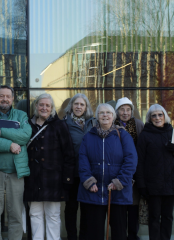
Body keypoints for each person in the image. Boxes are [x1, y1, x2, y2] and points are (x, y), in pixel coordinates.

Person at [78, 103, 137, 240]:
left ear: (113, 116)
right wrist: (89, 181)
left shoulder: (123, 135)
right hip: (95, 191)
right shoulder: (89, 136)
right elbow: (82, 161)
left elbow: (131, 160)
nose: (105, 115)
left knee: (119, 232)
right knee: (95, 233)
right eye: (101, 113)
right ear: (97, 116)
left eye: (108, 113)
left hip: (117, 191)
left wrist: (119, 181)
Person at [0, 85, 32, 240]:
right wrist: (9, 145)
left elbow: (25, 136)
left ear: (12, 99)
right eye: (1, 96)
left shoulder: (21, 115)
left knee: (15, 215)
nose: (5, 99)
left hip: (16, 173)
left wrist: (1, 133)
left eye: (8, 96)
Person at [24, 93, 75, 240]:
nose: (44, 108)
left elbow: (69, 155)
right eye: (41, 105)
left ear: (52, 108)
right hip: (33, 179)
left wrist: (67, 179)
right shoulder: (28, 125)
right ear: (36, 106)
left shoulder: (60, 125)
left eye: (47, 105)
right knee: (35, 214)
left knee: (53, 215)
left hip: (54, 180)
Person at [136, 104, 174, 240]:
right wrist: (142, 185)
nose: (157, 118)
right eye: (154, 115)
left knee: (168, 217)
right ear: (150, 118)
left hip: (171, 184)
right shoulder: (145, 135)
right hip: (153, 186)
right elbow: (139, 162)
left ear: (164, 116)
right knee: (154, 217)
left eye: (160, 115)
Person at [64, 93, 96, 240]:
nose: (78, 107)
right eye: (76, 104)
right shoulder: (64, 124)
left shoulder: (93, 123)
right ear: (71, 106)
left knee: (87, 210)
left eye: (82, 104)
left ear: (86, 107)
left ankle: (83, 237)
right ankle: (71, 237)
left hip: (89, 174)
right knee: (71, 209)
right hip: (71, 172)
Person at [114, 97, 144, 240]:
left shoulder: (138, 124)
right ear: (117, 111)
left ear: (131, 111)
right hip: (117, 172)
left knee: (133, 206)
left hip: (134, 172)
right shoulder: (112, 124)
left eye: (128, 109)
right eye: (122, 109)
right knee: (119, 208)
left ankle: (133, 235)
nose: (125, 112)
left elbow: (143, 149)